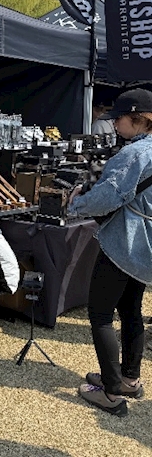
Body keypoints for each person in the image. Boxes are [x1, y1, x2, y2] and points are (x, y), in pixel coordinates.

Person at [68, 88, 152, 417]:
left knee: (101, 314)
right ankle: (129, 378)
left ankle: (111, 391)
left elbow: (107, 198)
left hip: (123, 242)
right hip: (145, 245)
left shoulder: (134, 154)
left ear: (138, 119)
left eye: (119, 119)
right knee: (131, 310)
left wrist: (76, 202)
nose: (114, 124)